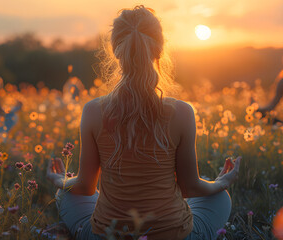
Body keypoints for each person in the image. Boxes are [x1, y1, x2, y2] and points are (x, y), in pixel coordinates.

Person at [47, 6, 241, 240]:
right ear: (159, 49)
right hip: (174, 235)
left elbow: (85, 187)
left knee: (65, 194)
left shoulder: (92, 111)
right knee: (219, 197)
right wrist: (222, 182)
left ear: (115, 51)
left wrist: (59, 180)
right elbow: (191, 188)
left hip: (108, 235)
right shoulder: (182, 112)